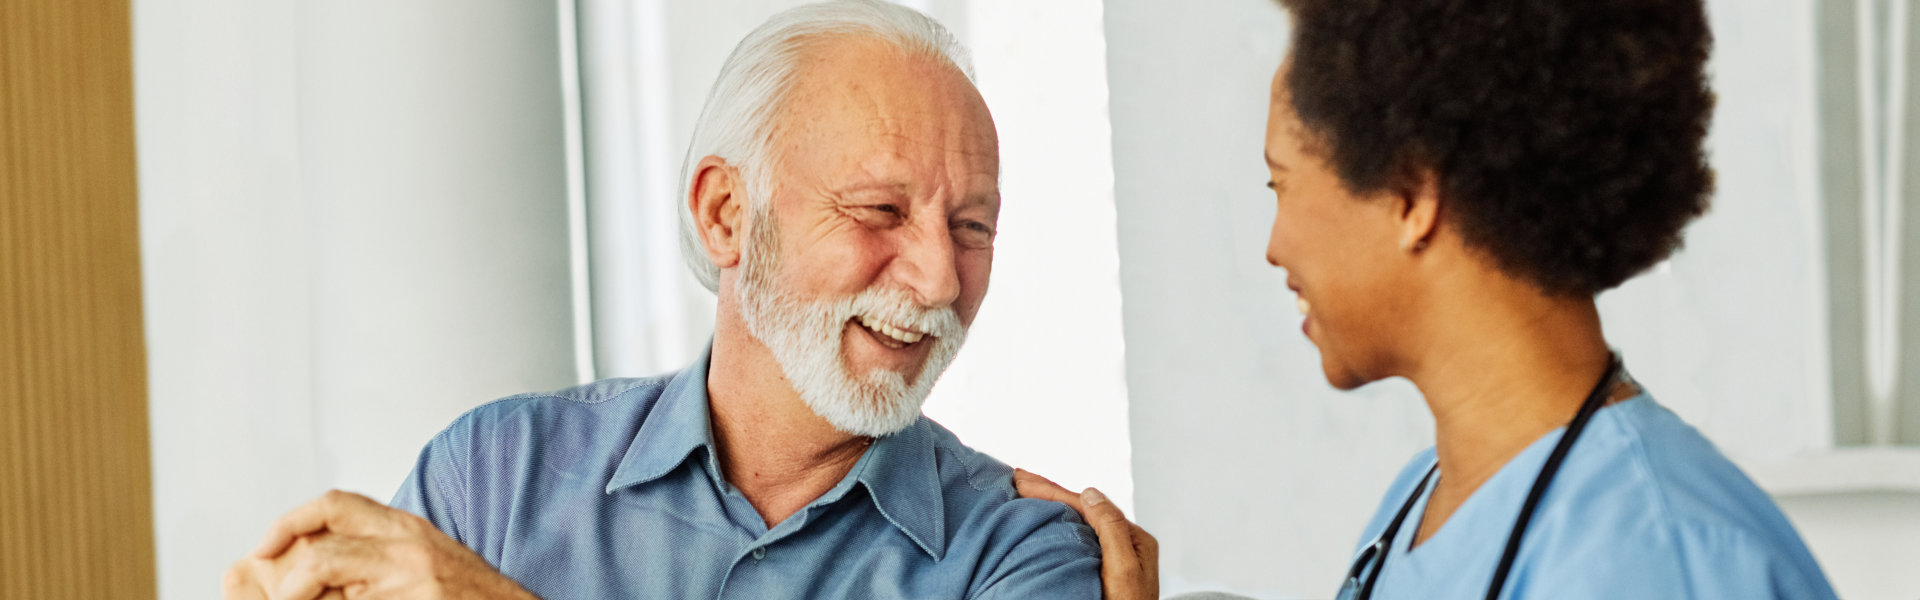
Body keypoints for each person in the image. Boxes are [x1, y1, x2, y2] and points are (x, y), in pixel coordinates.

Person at [222, 2, 1102, 598]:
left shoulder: (1022, 558)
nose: (940, 280)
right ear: (727, 215)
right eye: (880, 211)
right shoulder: (492, 475)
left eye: (972, 227)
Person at [1018, 0, 1840, 598]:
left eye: (1283, 184)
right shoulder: (1425, 498)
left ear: (1411, 193)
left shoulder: (1658, 563)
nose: (1275, 246)